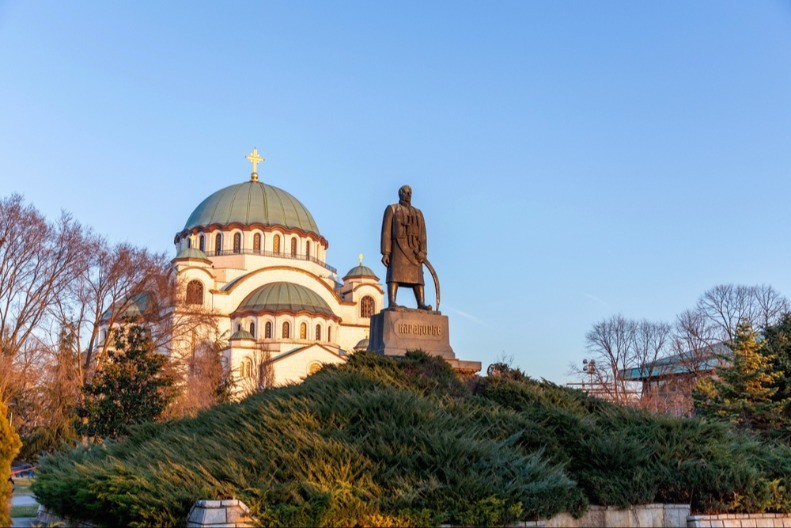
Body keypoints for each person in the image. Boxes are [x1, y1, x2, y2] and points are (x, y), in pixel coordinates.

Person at [380, 185, 432, 310]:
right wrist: (386, 252)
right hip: (398, 248)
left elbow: (423, 235)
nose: (408, 195)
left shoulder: (418, 213)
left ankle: (421, 303)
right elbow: (386, 232)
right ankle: (392, 301)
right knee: (395, 274)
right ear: (400, 194)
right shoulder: (392, 209)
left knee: (418, 277)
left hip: (415, 250)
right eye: (406, 192)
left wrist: (423, 252)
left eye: (410, 193)